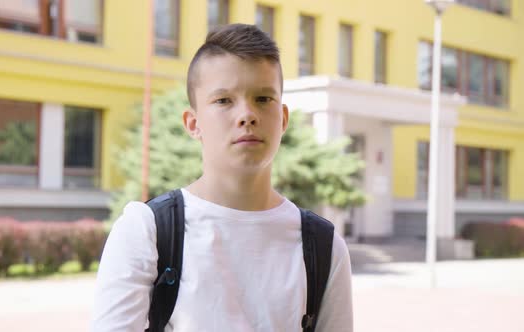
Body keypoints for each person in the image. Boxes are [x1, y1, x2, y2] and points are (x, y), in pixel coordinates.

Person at [91, 23, 353, 332]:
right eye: (224, 100)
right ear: (193, 123)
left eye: (263, 99)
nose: (247, 115)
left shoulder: (323, 246)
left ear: (282, 119)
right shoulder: (146, 232)